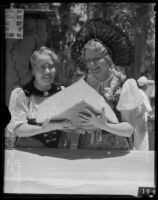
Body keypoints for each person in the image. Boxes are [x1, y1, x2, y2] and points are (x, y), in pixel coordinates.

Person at [70, 18, 150, 150]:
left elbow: (129, 129)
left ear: (108, 59)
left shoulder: (125, 85)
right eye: (88, 60)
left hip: (116, 154)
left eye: (96, 59)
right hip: (86, 151)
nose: (91, 64)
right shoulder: (83, 84)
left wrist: (104, 126)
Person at [5, 46, 72, 148]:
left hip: (56, 156)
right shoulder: (21, 94)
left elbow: (70, 122)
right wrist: (44, 128)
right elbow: (18, 129)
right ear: (33, 71)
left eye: (51, 66)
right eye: (42, 67)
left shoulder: (62, 92)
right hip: (28, 156)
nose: (48, 71)